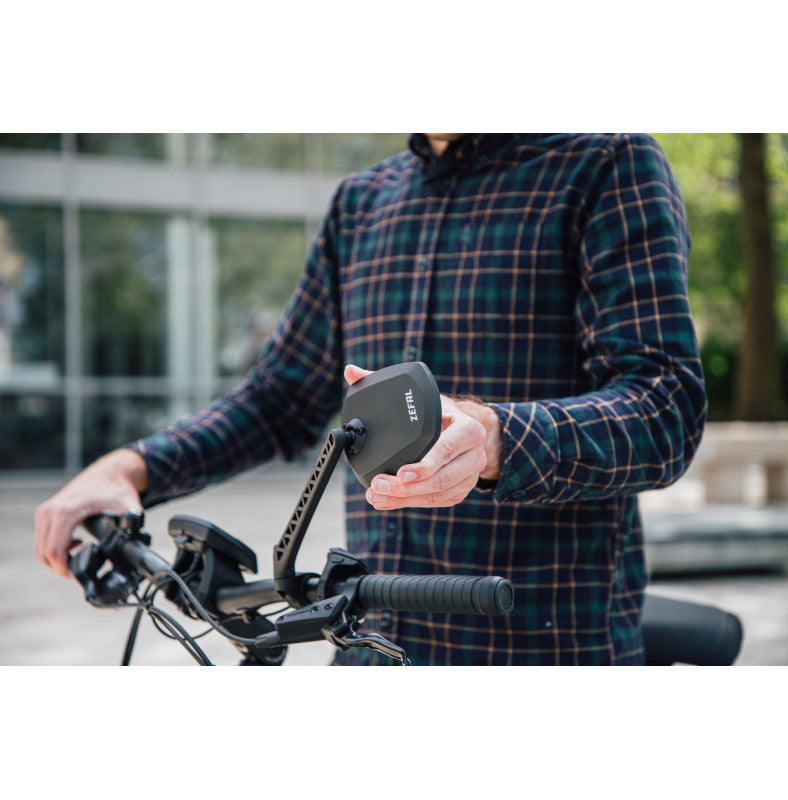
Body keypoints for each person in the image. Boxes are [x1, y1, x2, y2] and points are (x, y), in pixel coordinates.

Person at [35, 133, 707, 665]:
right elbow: (279, 399)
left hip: (538, 650)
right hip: (369, 649)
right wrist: (130, 469)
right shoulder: (361, 203)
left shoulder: (607, 163)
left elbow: (665, 406)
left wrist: (494, 437)